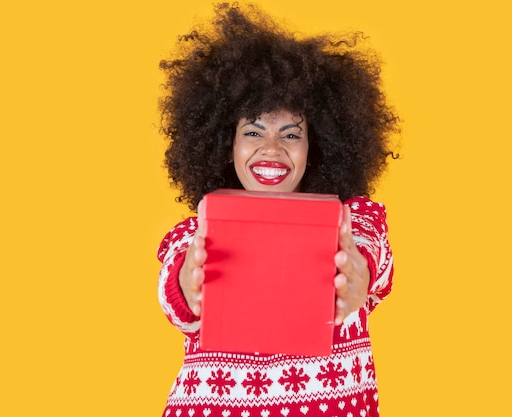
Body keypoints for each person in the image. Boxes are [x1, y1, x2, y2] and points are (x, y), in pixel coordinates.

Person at [156, 3, 399, 416]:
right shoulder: (195, 232)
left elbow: (372, 256)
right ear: (225, 145)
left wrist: (357, 277)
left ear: (317, 146)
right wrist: (188, 283)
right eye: (253, 131)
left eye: (291, 134)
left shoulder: (354, 220)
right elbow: (173, 294)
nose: (271, 149)